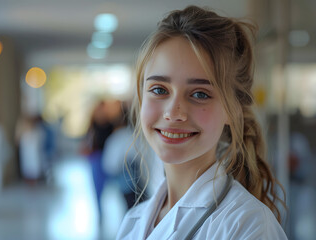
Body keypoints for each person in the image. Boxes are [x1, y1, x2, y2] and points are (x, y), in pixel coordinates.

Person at [116, 6, 287, 239]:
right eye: (159, 89)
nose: (173, 113)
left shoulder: (249, 225)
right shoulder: (133, 221)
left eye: (199, 94)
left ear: (232, 109)